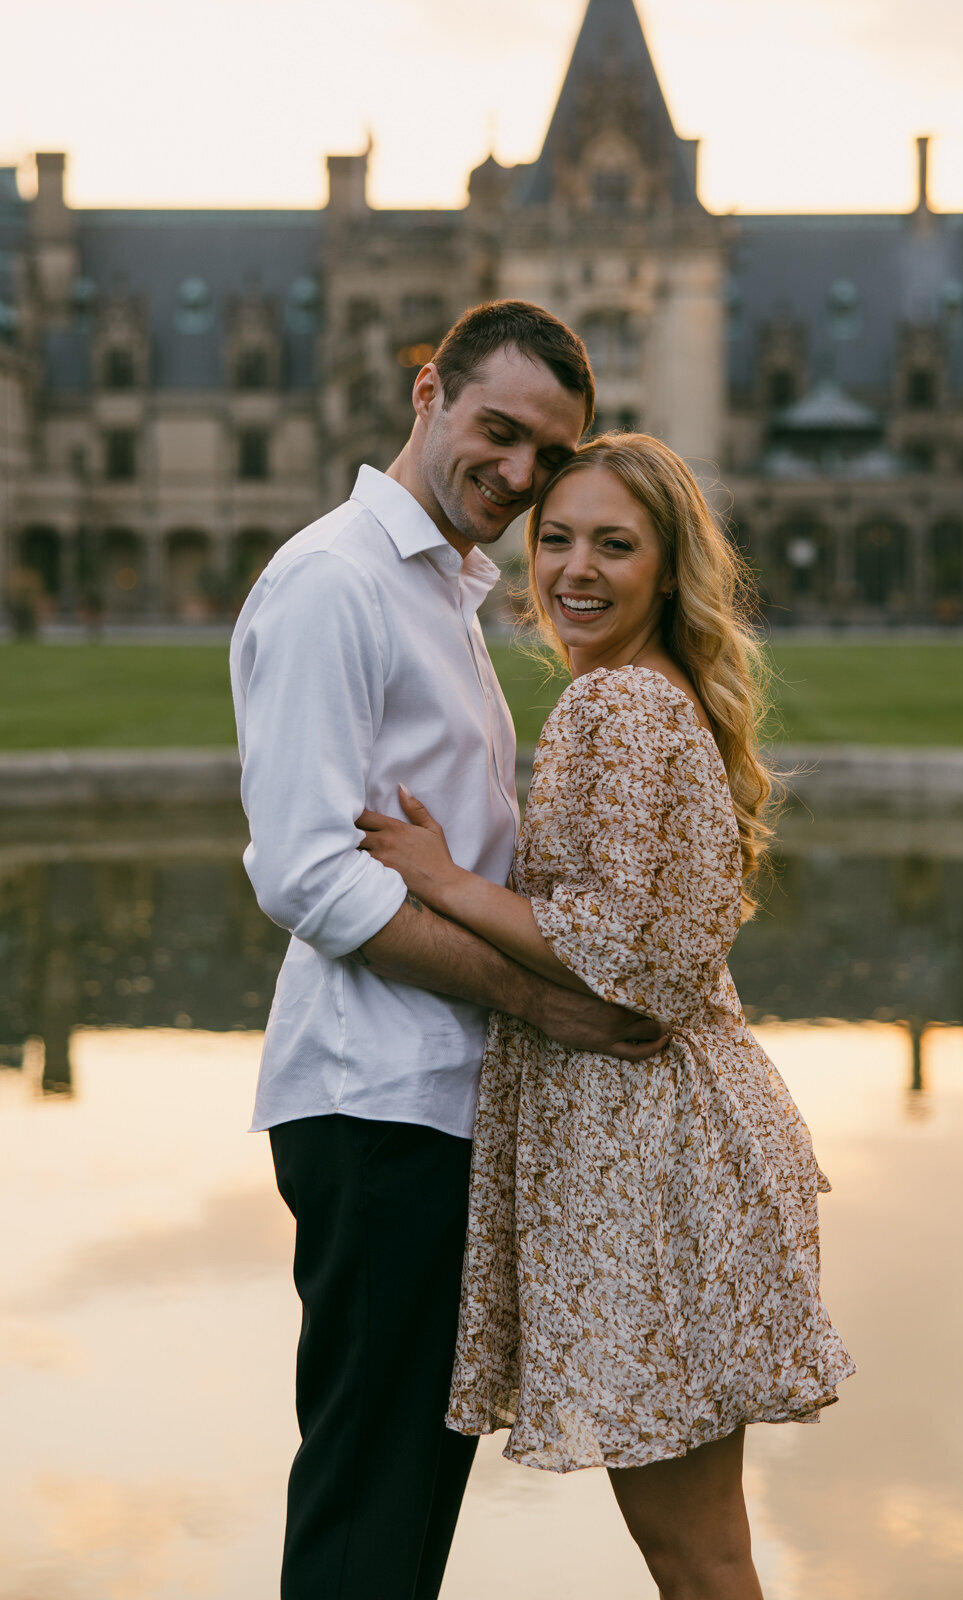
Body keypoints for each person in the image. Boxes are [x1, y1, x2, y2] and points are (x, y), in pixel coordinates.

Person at [357, 432, 856, 1600]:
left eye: (613, 544)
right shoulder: (642, 692)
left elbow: (624, 951)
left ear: (668, 568)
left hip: (649, 1155)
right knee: (706, 1546)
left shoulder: (615, 706)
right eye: (558, 538)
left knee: (689, 1551)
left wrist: (443, 882)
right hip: (680, 1138)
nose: (573, 568)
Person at [229, 304, 668, 1600]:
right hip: (377, 1106)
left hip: (438, 1105)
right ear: (428, 392)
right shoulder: (334, 580)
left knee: (409, 1506)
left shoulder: (439, 590)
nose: (521, 474)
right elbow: (305, 875)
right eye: (500, 431)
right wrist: (552, 1009)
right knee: (369, 1501)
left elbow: (453, 855)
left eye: (547, 451)